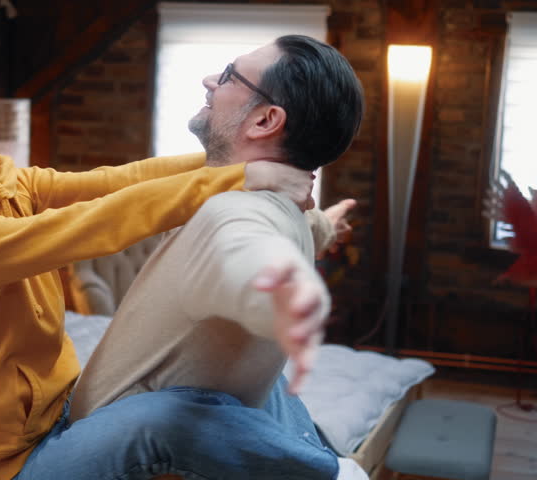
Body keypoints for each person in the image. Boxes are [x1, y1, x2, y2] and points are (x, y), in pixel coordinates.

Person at [0, 68, 324, 479]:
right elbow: (92, 224)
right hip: (11, 469)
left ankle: (324, 457)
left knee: (243, 372)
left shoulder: (12, 185)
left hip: (67, 415)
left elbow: (122, 181)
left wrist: (241, 161)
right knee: (166, 421)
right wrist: (239, 179)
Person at [67, 35, 365, 478]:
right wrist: (328, 224)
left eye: (228, 76)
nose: (210, 81)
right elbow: (298, 227)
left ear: (265, 120)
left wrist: (272, 288)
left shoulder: (234, 211)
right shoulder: (282, 205)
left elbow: (242, 249)